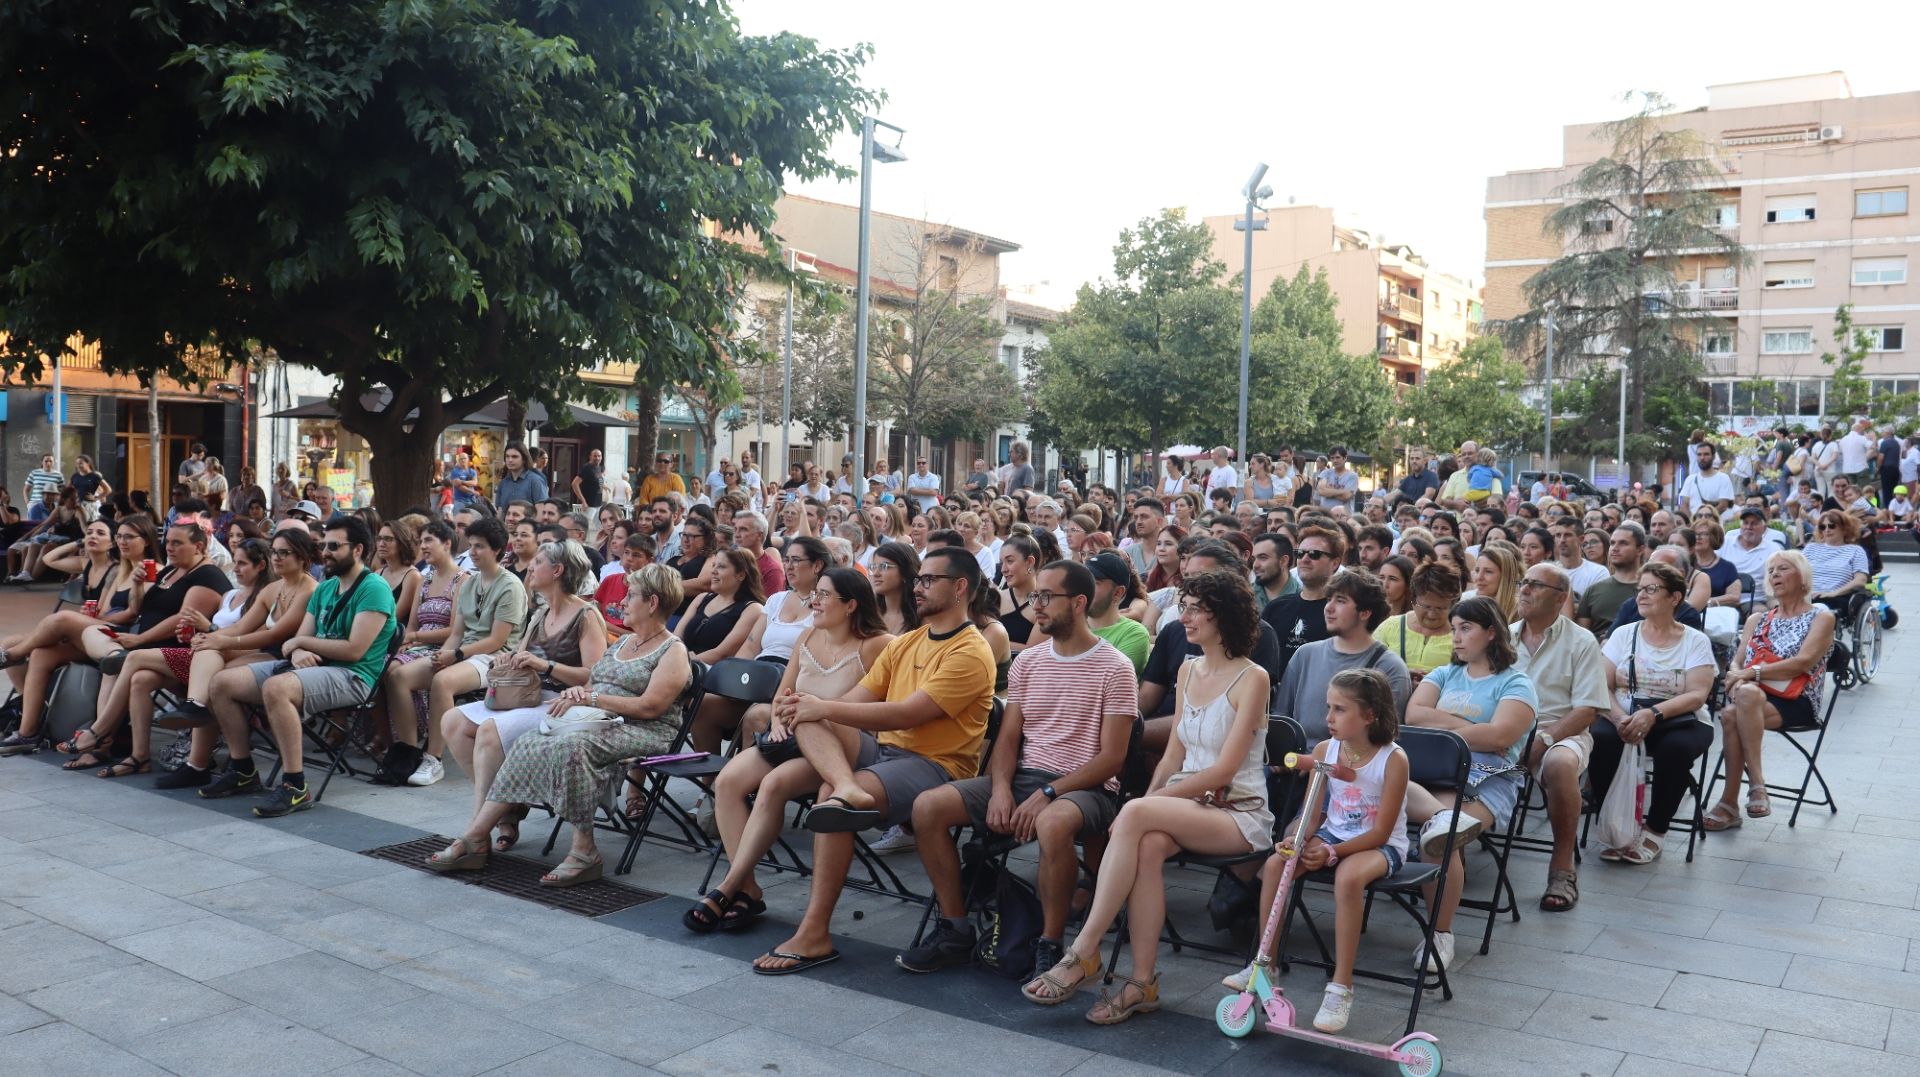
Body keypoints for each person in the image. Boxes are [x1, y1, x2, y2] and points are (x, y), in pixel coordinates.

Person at [1020, 569, 1270, 1023]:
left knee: (1135, 815)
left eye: (1195, 609)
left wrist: (1148, 804)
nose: (1184, 617)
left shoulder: (1253, 678)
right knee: (1146, 844)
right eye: (1184, 606)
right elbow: (1174, 754)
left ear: (1224, 616)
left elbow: (1226, 770)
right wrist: (1150, 802)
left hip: (1238, 812)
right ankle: (1142, 982)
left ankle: (1083, 951)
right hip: (1188, 806)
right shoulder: (1188, 668)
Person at [746, 547, 996, 975]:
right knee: (804, 713)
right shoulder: (911, 641)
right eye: (918, 579)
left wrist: (819, 708)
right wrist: (809, 708)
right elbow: (854, 701)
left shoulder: (971, 651)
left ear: (960, 588)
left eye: (929, 580)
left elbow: (907, 714)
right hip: (883, 752)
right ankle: (846, 788)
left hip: (934, 764)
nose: (918, 587)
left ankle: (815, 931)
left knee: (827, 781)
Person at [897, 561, 1133, 976]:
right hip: (1025, 777)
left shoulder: (1115, 667)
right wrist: (1002, 789)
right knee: (927, 808)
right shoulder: (1030, 662)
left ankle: (1049, 943)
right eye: (1033, 596)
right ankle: (955, 928)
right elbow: (1008, 741)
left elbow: (1112, 760)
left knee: (1053, 824)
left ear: (1078, 603)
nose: (1035, 606)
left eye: (1045, 597)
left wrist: (1048, 794)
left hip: (1087, 788)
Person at [427, 563, 691, 884]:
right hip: (602, 721)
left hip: (643, 729)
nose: (621, 602)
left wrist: (591, 699)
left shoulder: (672, 650)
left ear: (652, 603)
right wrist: (580, 694)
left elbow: (650, 707)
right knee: (530, 740)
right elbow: (595, 683)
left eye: (630, 596)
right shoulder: (624, 643)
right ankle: (476, 836)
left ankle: (584, 851)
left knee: (573, 746)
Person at [693, 568, 896, 932]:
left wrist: (802, 711)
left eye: (823, 595)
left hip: (843, 746)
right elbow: (781, 696)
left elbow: (857, 709)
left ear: (850, 605)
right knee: (727, 781)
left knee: (772, 785)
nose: (813, 602)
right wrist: (776, 721)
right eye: (813, 594)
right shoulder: (807, 637)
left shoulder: (879, 644)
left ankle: (728, 885)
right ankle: (749, 887)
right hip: (793, 736)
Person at [1223, 669, 1409, 1032]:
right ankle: (1265, 963)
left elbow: (1383, 831)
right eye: (1329, 707)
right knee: (1277, 864)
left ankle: (1341, 985)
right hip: (1331, 835)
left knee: (1349, 877)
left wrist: (1333, 853)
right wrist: (1298, 839)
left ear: (1370, 714)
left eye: (1340, 709)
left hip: (1379, 845)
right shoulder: (1325, 751)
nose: (1328, 717)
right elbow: (1312, 814)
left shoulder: (1393, 760)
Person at [200, 515, 396, 817]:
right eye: (324, 545)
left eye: (334, 546)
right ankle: (242, 769)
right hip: (311, 668)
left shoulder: (374, 588)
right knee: (220, 683)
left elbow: (354, 649)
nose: (326, 552)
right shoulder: (326, 589)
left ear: (357, 550)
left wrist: (302, 646)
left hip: (353, 676)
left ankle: (295, 785)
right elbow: (299, 640)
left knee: (277, 687)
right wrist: (298, 647)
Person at [441, 539, 606, 850]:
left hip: (561, 702)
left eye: (539, 562)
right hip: (526, 695)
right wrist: (507, 659)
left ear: (557, 570)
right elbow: (521, 655)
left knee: (489, 732)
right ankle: (508, 809)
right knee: (452, 721)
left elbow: (594, 675)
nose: (530, 566)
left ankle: (477, 831)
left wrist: (547, 664)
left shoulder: (586, 615)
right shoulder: (541, 612)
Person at [1401, 596, 1536, 972]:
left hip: (1489, 779)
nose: (1455, 637)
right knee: (1410, 806)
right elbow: (1414, 715)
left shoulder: (1516, 683)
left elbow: (1499, 739)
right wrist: (1471, 728)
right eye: (1454, 628)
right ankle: (1445, 818)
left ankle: (1439, 934)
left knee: (1437, 842)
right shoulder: (1445, 674)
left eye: (1466, 628)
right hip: (1434, 772)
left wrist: (1445, 722)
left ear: (1491, 633)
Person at [1584, 561, 1716, 865]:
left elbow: (1697, 694)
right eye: (1639, 589)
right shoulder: (1623, 634)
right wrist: (1618, 717)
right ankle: (1618, 827)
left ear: (1674, 598)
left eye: (1651, 589)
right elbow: (1601, 685)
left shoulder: (1695, 640)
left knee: (1676, 750)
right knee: (1603, 740)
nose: (1641, 596)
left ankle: (1655, 831)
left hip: (1678, 719)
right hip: (1624, 713)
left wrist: (1653, 714)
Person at [381, 516, 527, 786]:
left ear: (497, 550)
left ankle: (433, 758)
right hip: (464, 652)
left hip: (496, 659)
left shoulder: (510, 586)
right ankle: (409, 751)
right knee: (399, 676)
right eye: (471, 545)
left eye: (480, 546)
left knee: (442, 680)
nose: (472, 552)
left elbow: (497, 640)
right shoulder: (470, 583)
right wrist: (442, 655)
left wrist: (454, 656)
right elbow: (457, 633)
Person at [1709, 550, 1837, 833]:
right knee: (1741, 702)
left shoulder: (1821, 618)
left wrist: (1751, 674)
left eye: (1783, 569)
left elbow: (1802, 663)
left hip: (1797, 699)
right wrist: (1736, 674)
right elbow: (1737, 660)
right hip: (1751, 696)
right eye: (1771, 570)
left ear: (1802, 577)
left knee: (1734, 712)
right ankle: (1755, 788)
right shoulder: (1758, 619)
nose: (1775, 574)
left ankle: (1732, 801)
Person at [1511, 562, 1610, 913]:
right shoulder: (1504, 637)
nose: (1524, 589)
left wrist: (1544, 739)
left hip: (1561, 729)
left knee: (1561, 763)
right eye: (1524, 582)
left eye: (1535, 585)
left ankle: (1562, 869)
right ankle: (1448, 855)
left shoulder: (1581, 641)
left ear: (1560, 598)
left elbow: (1587, 711)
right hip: (1505, 727)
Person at [1275, 569, 1412, 739]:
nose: (1328, 608)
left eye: (1340, 601)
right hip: (1295, 760)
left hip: (1345, 764)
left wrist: (1316, 764)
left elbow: (1383, 739)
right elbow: (1281, 719)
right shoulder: (1305, 654)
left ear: (1365, 612)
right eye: (1329, 599)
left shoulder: (1389, 667)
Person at [1260, 523, 1340, 675]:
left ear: (1335, 563)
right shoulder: (1276, 607)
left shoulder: (1340, 613)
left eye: (1314, 554)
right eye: (1300, 553)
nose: (1305, 559)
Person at [1372, 562, 1462, 683]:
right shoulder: (1390, 627)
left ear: (1453, 605)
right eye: (1426, 606)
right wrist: (1400, 676)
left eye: (1440, 608)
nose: (1431, 614)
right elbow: (1368, 667)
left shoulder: (1461, 635)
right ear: (1413, 601)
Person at [676, 548, 765, 664]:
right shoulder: (701, 598)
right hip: (679, 664)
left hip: (710, 673)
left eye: (721, 567)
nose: (713, 571)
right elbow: (676, 638)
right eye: (714, 565)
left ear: (741, 575)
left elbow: (723, 653)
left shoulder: (752, 609)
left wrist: (684, 661)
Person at [1577, 525, 1646, 641]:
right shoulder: (1593, 590)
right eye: (1612, 543)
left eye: (1623, 543)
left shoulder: (1651, 589)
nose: (1615, 548)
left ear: (1640, 550)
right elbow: (1581, 638)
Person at [1084, 552, 1150, 672]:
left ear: (1117, 593)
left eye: (1094, 583)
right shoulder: (1067, 625)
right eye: (1083, 580)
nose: (1083, 588)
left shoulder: (1133, 633)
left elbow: (1107, 677)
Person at [1804, 510, 1871, 611]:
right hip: (1806, 596)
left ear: (1844, 529)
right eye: (1823, 527)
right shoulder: (1810, 548)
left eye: (1832, 526)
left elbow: (1860, 580)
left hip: (1835, 597)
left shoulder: (1855, 550)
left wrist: (1833, 593)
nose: (1827, 530)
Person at [1678, 441, 1733, 516]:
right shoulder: (1690, 479)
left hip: (1714, 525)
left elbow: (1723, 505)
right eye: (1699, 454)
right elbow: (1684, 505)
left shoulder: (1723, 478)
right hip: (1693, 525)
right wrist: (1693, 522)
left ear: (1713, 457)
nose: (1702, 458)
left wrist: (1704, 519)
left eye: (1706, 454)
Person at [493, 444, 548, 508]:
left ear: (524, 459)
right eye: (507, 456)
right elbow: (501, 511)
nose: (510, 460)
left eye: (514, 457)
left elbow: (541, 510)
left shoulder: (535, 481)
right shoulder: (503, 483)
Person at [1313, 447, 1359, 511]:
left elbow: (1346, 496)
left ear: (1345, 458)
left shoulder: (1352, 476)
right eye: (1332, 458)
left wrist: (1328, 491)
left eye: (1337, 457)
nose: (1335, 460)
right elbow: (1321, 491)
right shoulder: (1326, 473)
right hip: (1326, 514)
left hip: (1343, 516)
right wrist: (1342, 491)